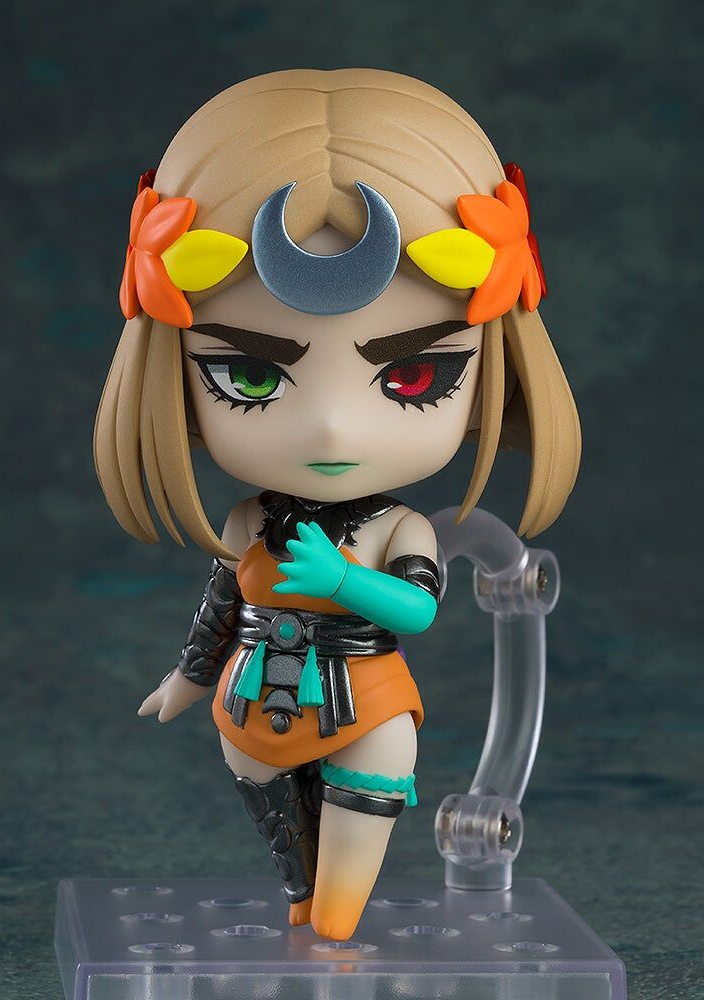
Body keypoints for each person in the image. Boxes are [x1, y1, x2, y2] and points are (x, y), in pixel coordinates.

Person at [94, 68, 580, 940]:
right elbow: (221, 601)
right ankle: (303, 904)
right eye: (250, 376)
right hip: (249, 706)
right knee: (291, 855)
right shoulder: (248, 521)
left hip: (368, 704)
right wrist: (190, 675)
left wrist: (342, 581)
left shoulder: (398, 528)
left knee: (344, 884)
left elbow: (417, 610)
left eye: (412, 376)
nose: (329, 425)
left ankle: (335, 930)